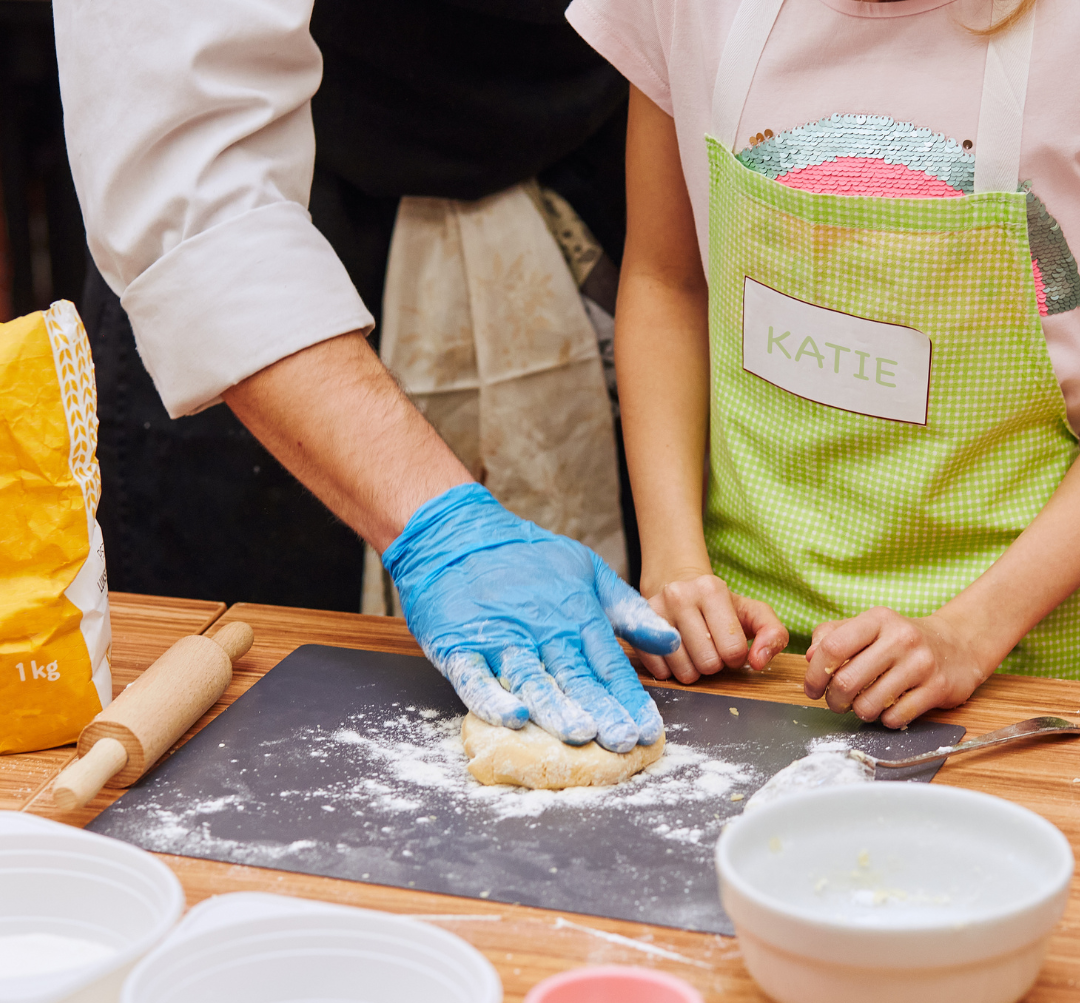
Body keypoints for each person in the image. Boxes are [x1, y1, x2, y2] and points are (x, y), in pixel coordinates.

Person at [51, 0, 687, 754]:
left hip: (596, 192)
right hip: (277, 282)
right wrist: (445, 531)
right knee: (270, 751)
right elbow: (192, 174)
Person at [566, 0, 1080, 728]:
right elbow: (666, 283)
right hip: (746, 660)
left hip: (1020, 678)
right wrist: (678, 564)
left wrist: (970, 633)